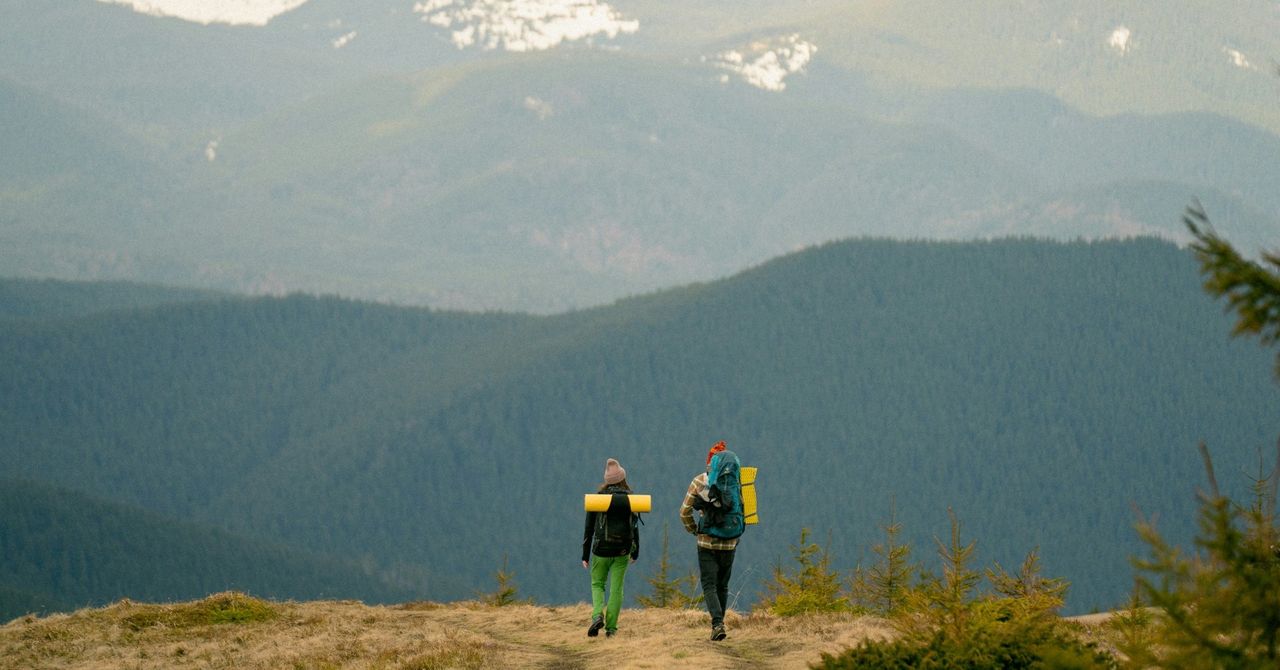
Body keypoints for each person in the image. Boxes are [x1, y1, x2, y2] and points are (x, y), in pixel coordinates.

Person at [680, 440, 740, 641]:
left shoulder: (699, 481)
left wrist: (693, 529)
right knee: (723, 585)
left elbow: (684, 512)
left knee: (709, 584)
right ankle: (719, 624)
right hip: (730, 541)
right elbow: (743, 509)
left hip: (706, 542)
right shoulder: (735, 482)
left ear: (710, 463)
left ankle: (717, 624)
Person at [582, 458, 639, 638]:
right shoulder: (631, 499)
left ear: (607, 480)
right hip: (622, 550)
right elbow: (635, 526)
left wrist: (585, 554)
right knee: (616, 589)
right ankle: (611, 629)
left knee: (597, 584)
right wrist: (635, 551)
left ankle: (598, 615)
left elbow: (589, 528)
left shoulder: (597, 499)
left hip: (600, 550)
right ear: (623, 478)